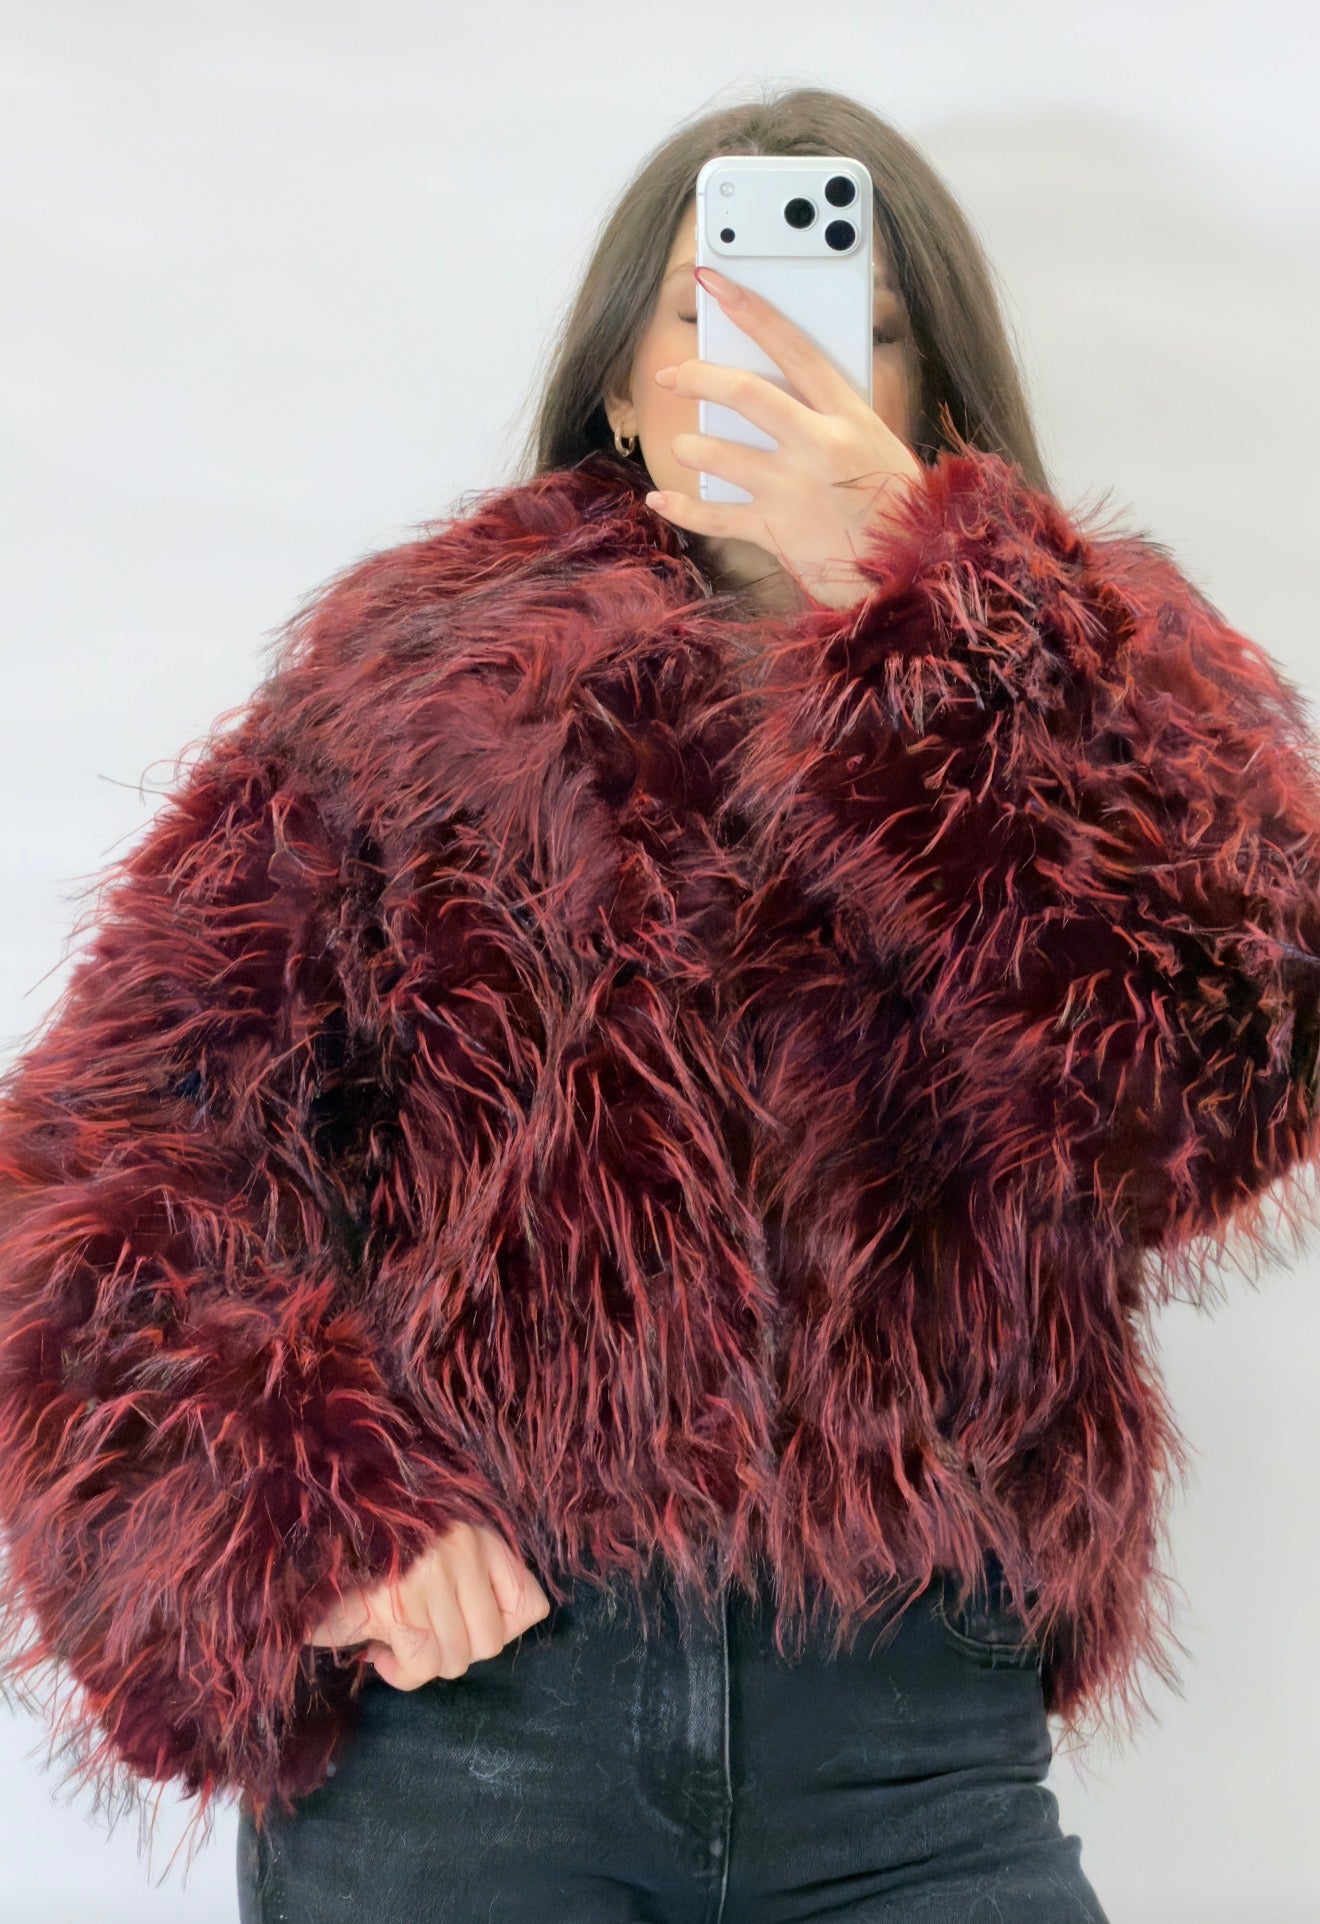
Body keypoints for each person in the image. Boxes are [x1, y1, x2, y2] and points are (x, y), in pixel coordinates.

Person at [1, 85, 1318, 1924]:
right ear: (623, 384)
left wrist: (936, 634)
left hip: (909, 1725)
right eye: (712, 312)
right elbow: (115, 1146)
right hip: (477, 1726)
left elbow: (1221, 1089)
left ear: (929, 394)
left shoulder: (1088, 693)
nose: (776, 356)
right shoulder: (420, 688)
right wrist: (304, 1514)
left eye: (852, 323)